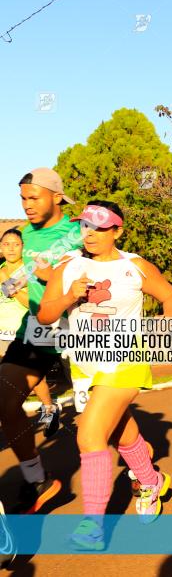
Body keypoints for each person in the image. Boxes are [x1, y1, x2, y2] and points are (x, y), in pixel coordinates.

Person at [38, 200, 172, 549]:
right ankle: (150, 480)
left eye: (100, 228)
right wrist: (69, 296)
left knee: (89, 435)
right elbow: (44, 315)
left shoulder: (135, 266)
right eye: (85, 225)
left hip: (125, 355)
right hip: (85, 364)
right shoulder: (68, 266)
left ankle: (93, 525)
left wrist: (164, 323)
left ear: (117, 231)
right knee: (118, 430)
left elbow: (170, 297)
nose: (90, 234)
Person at [0, 168, 82, 515]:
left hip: (80, 328)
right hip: (37, 329)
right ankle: (39, 480)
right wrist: (12, 285)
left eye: (34, 197)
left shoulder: (80, 230)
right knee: (4, 401)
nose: (27, 205)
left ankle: (145, 474)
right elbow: (20, 277)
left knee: (109, 421)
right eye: (22, 198)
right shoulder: (25, 238)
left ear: (57, 197)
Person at [0, 229, 60, 437]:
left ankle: (49, 408)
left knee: (33, 377)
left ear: (23, 247)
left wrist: (13, 289)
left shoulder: (29, 270)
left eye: (16, 244)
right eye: (6, 244)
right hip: (1, 331)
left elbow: (34, 304)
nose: (10, 248)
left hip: (25, 331)